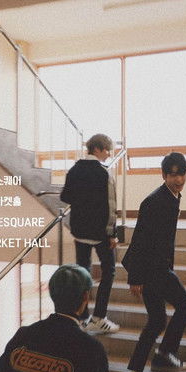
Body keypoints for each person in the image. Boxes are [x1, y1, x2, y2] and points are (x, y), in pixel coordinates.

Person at [121, 152, 186, 372]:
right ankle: (163, 355)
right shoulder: (155, 201)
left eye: (181, 174)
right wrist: (135, 277)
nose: (178, 179)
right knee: (185, 307)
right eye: (172, 175)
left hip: (156, 267)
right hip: (154, 270)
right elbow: (140, 240)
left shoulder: (171, 197)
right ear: (164, 176)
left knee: (156, 321)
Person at [60, 133, 119, 334]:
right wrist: (112, 234)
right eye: (107, 150)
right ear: (97, 149)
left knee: (82, 274)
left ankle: (83, 317)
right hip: (100, 233)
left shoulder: (74, 169)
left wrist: (82, 200)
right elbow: (111, 207)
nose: (109, 154)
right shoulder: (104, 173)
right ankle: (99, 317)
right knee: (109, 271)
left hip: (79, 231)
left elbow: (65, 196)